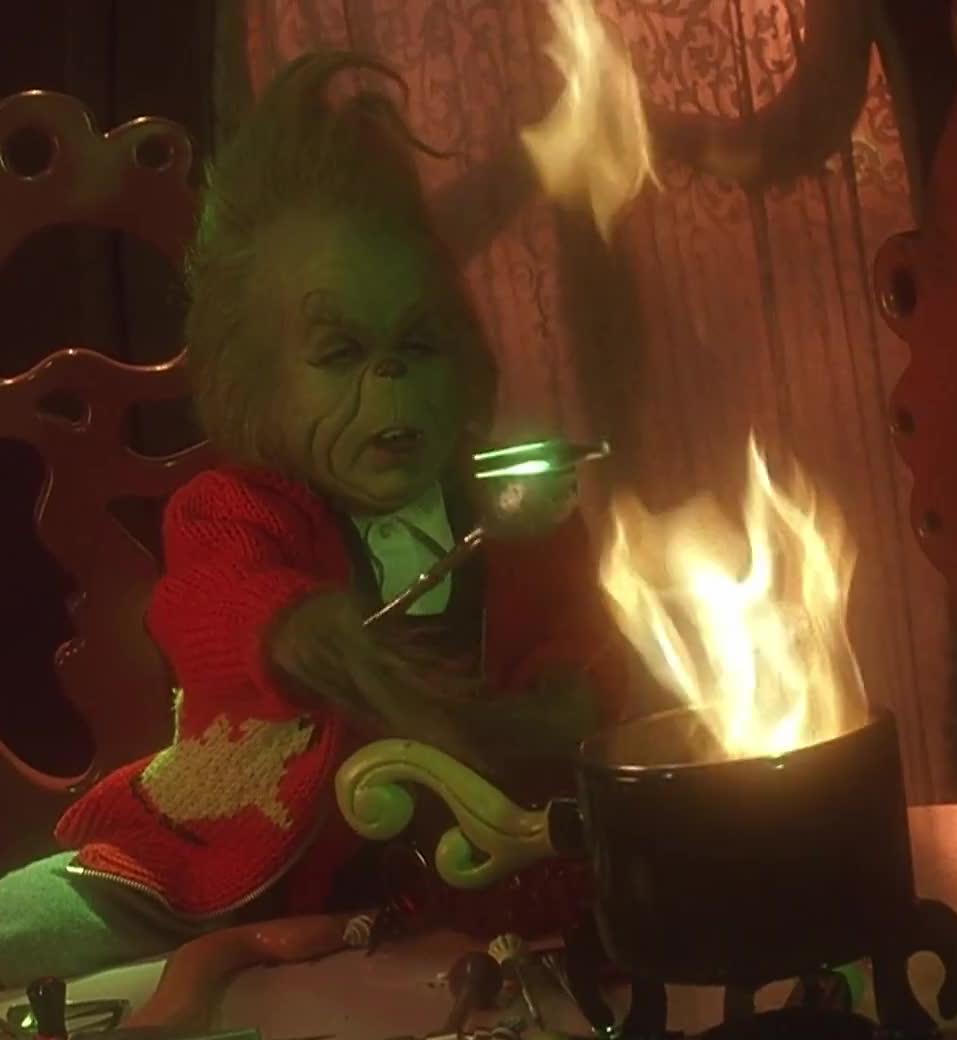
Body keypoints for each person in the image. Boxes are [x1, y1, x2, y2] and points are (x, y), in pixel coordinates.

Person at [0, 51, 625, 989]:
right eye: (340, 354)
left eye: (416, 345)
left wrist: (562, 703)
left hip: (477, 883)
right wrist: (304, 630)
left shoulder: (517, 517)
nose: (391, 383)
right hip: (228, 867)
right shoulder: (237, 508)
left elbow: (589, 642)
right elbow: (209, 602)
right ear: (254, 376)